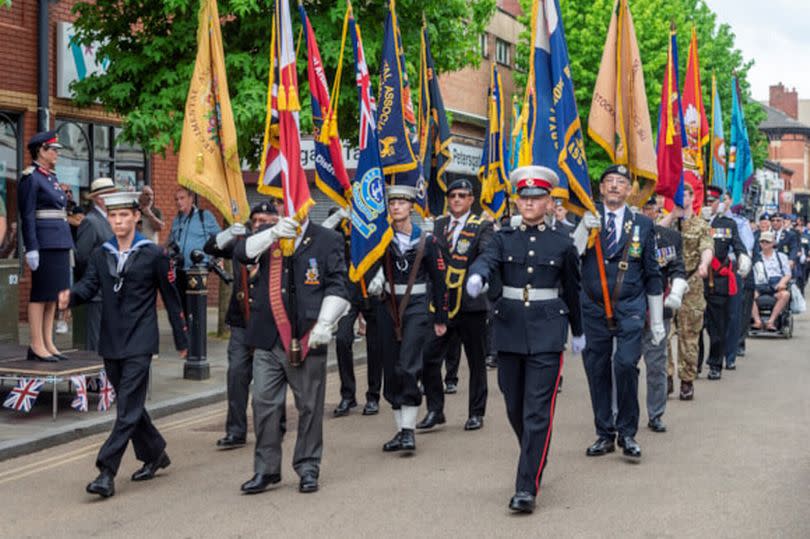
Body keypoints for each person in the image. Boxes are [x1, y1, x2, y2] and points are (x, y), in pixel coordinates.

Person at [466, 166, 583, 513]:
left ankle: (525, 486)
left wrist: (577, 331)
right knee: (514, 406)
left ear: (549, 202)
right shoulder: (503, 237)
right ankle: (534, 454)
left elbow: (573, 291)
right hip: (509, 330)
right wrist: (477, 276)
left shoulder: (562, 242)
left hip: (547, 332)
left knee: (537, 412)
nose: (529, 203)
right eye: (524, 197)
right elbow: (487, 260)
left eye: (536, 198)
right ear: (517, 201)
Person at [58, 191, 188, 499]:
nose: (118, 221)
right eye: (113, 216)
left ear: (136, 217)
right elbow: (90, 286)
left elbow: (171, 298)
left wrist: (183, 339)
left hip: (141, 341)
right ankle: (155, 452)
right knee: (132, 406)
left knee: (126, 409)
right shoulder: (103, 254)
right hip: (111, 340)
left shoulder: (154, 254)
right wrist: (71, 296)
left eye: (124, 215)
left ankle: (106, 471)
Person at [234, 209, 349, 495]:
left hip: (308, 336)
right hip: (268, 336)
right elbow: (240, 253)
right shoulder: (270, 235)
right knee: (263, 404)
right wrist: (272, 233)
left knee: (309, 407)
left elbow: (338, 283)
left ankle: (308, 467)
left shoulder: (327, 239)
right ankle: (266, 470)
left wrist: (326, 320)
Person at [573, 164, 663, 461]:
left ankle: (628, 433)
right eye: (609, 181)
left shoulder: (642, 225)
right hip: (593, 308)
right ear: (601, 189)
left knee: (625, 365)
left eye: (620, 182)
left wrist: (658, 318)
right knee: (596, 369)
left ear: (629, 191)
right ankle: (604, 434)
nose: (614, 186)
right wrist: (581, 230)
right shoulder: (585, 218)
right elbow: (568, 261)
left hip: (630, 307)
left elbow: (652, 271)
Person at [374, 185, 447, 454]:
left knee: (408, 366)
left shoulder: (427, 241)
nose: (396, 208)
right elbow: (366, 264)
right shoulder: (381, 240)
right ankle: (400, 431)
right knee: (392, 369)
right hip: (388, 307)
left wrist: (441, 316)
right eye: (392, 203)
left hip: (417, 307)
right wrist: (374, 275)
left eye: (402, 203)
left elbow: (440, 282)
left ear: (411, 207)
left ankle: (409, 431)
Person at [419, 178, 493, 432]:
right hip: (441, 304)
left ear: (471, 199)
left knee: (475, 361)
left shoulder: (482, 226)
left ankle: (476, 412)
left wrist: (478, 277)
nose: (457, 200)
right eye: (453, 196)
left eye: (463, 195)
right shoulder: (438, 225)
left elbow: (485, 253)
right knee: (428, 358)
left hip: (470, 303)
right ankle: (435, 410)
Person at [203, 201, 278, 449]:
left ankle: (270, 430)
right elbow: (210, 247)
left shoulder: (280, 247)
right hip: (240, 321)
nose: (258, 225)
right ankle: (236, 431)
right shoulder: (240, 243)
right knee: (236, 375)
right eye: (255, 220)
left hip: (269, 323)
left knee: (266, 383)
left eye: (265, 221)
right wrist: (228, 233)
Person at [320, 206, 384, 418]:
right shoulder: (339, 220)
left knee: (375, 346)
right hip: (348, 290)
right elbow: (320, 236)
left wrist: (382, 275)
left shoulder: (376, 218)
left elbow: (387, 248)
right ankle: (348, 395)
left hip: (373, 288)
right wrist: (338, 216)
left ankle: (373, 396)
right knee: (342, 340)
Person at [18, 130, 74, 362]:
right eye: (53, 149)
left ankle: (48, 341)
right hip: (44, 243)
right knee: (40, 294)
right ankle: (36, 343)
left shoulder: (49, 176)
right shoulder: (31, 177)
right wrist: (31, 247)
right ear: (41, 151)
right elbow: (27, 215)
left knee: (53, 295)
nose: (56, 154)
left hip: (59, 241)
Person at [639, 199, 687, 433]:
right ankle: (620, 414)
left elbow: (677, 268)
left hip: (659, 310)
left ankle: (656, 414)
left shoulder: (669, 238)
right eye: (644, 209)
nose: (649, 213)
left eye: (652, 209)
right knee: (623, 365)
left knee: (657, 366)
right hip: (630, 309)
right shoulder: (624, 237)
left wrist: (677, 287)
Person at [702, 186, 750, 381]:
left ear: (718, 203)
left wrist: (743, 257)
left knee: (717, 326)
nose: (708, 205)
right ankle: (693, 365)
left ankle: (715, 364)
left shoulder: (727, 224)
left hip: (717, 280)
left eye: (711, 201)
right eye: (705, 201)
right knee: (694, 325)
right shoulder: (691, 221)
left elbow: (738, 245)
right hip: (694, 279)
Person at [672, 183, 713, 400]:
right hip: (668, 284)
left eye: (683, 195)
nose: (680, 198)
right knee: (663, 335)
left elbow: (707, 247)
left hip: (691, 284)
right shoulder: (668, 221)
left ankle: (686, 380)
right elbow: (653, 235)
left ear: (691, 197)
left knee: (689, 335)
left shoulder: (700, 225)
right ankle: (666, 376)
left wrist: (704, 264)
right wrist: (672, 215)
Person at [75, 177, 117, 352]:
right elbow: (82, 256)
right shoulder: (91, 221)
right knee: (95, 341)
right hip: (97, 292)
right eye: (111, 195)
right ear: (100, 198)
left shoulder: (110, 219)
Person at [168, 186, 221, 318]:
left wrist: (217, 258)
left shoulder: (205, 216)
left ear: (191, 199)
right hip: (179, 270)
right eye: (176, 199)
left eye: (182, 198)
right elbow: (171, 241)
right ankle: (187, 336)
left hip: (198, 272)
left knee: (196, 310)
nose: (178, 202)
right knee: (183, 310)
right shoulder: (176, 220)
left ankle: (196, 337)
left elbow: (220, 239)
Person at [751, 230, 792, 330]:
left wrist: (782, 283)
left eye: (767, 242)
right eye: (762, 242)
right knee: (747, 294)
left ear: (773, 243)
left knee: (785, 294)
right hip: (759, 286)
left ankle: (771, 321)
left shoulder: (781, 257)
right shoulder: (755, 258)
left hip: (775, 285)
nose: (764, 244)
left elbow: (787, 274)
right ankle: (757, 321)